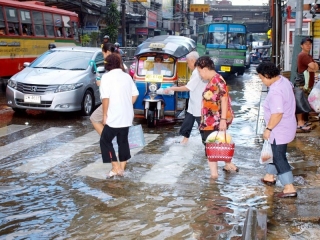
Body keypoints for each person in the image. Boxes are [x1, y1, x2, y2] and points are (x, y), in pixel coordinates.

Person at [256, 62, 297, 198]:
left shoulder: (275, 92)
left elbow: (277, 113)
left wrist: (268, 128)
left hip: (279, 129)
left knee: (279, 157)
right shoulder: (283, 81)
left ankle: (289, 187)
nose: (261, 80)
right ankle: (269, 176)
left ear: (267, 75)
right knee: (274, 152)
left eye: (262, 78)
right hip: (288, 125)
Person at [194, 56, 238, 179]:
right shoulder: (215, 80)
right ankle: (228, 165)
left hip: (214, 121)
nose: (200, 75)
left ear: (205, 68)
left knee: (211, 147)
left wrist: (223, 120)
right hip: (210, 120)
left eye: (199, 71)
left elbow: (224, 99)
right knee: (214, 145)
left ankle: (214, 175)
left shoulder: (217, 81)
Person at [99, 53, 139, 178]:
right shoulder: (127, 76)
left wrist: (105, 115)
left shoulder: (106, 77)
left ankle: (115, 167)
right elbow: (135, 94)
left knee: (105, 140)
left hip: (114, 115)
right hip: (127, 115)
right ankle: (122, 169)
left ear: (107, 65)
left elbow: (105, 98)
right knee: (123, 141)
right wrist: (126, 104)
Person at [164, 51, 207, 144]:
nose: (187, 65)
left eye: (188, 62)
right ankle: (185, 139)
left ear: (192, 60)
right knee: (188, 121)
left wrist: (172, 88)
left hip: (199, 104)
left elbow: (188, 87)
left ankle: (207, 144)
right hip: (193, 102)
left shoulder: (197, 72)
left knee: (202, 125)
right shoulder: (197, 71)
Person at [90, 43, 116, 136]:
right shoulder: (120, 65)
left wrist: (101, 83)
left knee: (94, 118)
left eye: (103, 54)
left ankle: (108, 140)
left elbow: (106, 97)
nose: (103, 56)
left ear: (108, 52)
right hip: (119, 101)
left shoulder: (112, 66)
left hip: (111, 100)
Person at [296, 37, 319, 132]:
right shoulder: (303, 55)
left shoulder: (308, 56)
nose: (308, 46)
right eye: (306, 44)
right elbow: (314, 66)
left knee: (304, 102)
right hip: (302, 84)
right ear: (301, 46)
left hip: (307, 83)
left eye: (310, 44)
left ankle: (304, 121)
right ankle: (300, 123)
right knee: (300, 102)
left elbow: (315, 68)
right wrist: (313, 66)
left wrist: (313, 67)